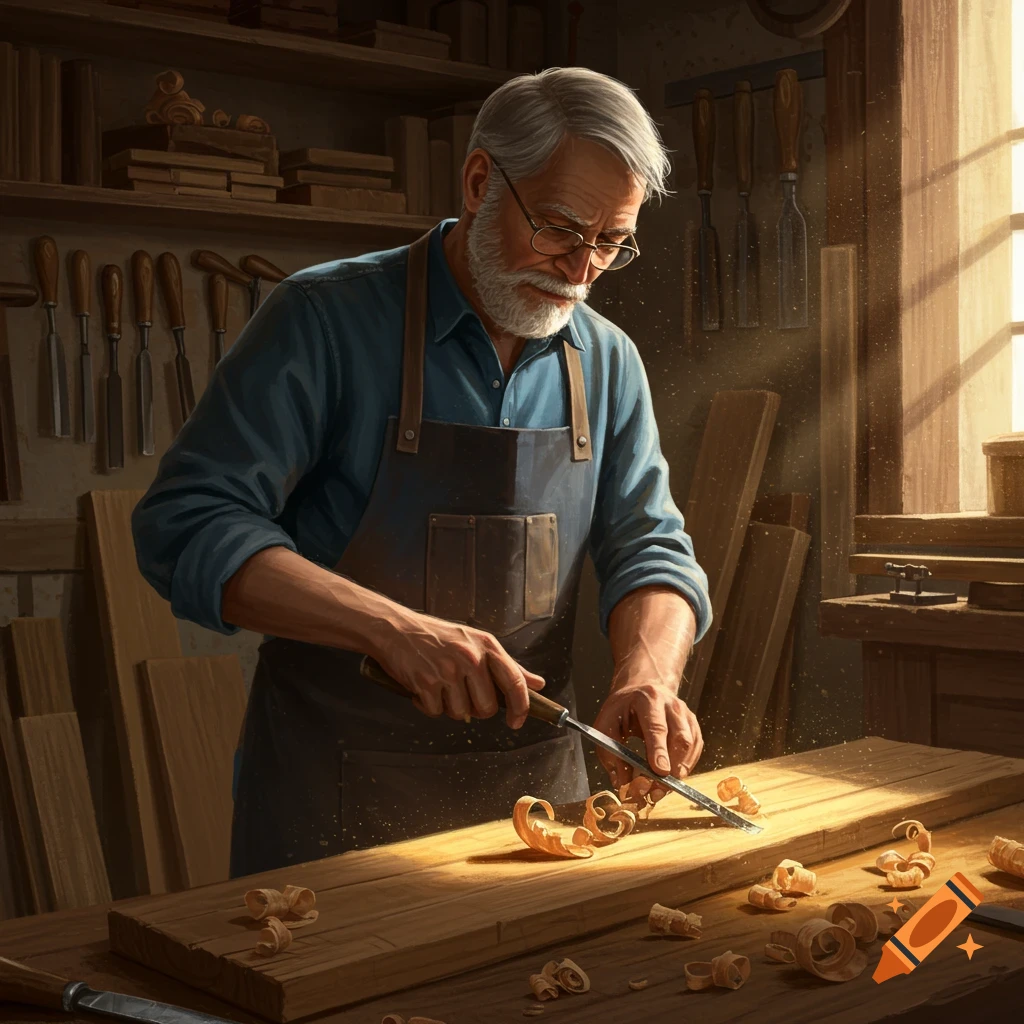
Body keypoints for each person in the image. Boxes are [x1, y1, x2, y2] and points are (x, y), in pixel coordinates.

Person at [132, 66, 712, 878]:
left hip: (539, 804)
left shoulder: (608, 362)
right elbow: (187, 524)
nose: (582, 270)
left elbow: (652, 549)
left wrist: (647, 676)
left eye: (610, 243)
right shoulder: (323, 320)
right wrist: (392, 629)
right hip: (331, 798)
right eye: (558, 229)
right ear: (480, 182)